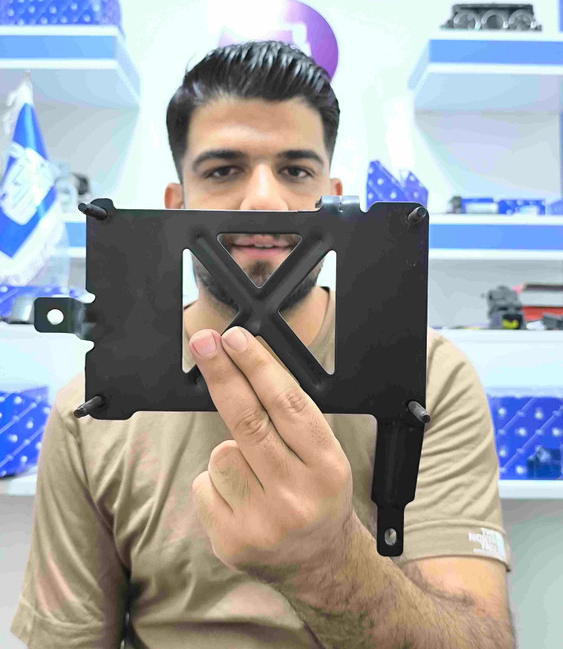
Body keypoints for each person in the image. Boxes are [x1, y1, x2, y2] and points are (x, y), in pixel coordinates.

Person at [11, 40, 515, 649]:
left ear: (333, 196)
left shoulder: (432, 377)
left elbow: (481, 639)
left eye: (295, 171)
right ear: (176, 202)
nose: (264, 201)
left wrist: (326, 563)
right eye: (223, 170)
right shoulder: (90, 412)